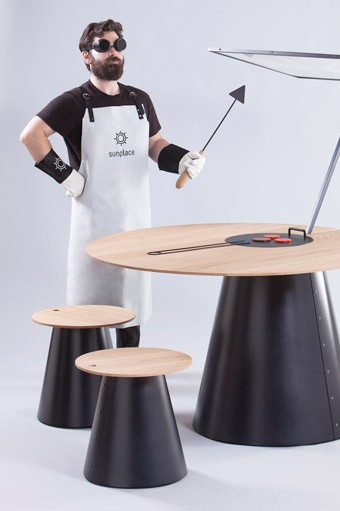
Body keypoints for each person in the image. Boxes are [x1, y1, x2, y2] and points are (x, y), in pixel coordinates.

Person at [20, 19, 205, 348]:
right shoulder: (74, 102)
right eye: (103, 46)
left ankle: (126, 369)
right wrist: (66, 176)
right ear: (86, 56)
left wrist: (182, 159)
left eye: (118, 45)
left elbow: (154, 144)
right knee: (90, 305)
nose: (113, 52)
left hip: (135, 218)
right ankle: (89, 370)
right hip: (94, 222)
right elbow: (31, 135)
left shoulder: (139, 100)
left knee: (131, 303)